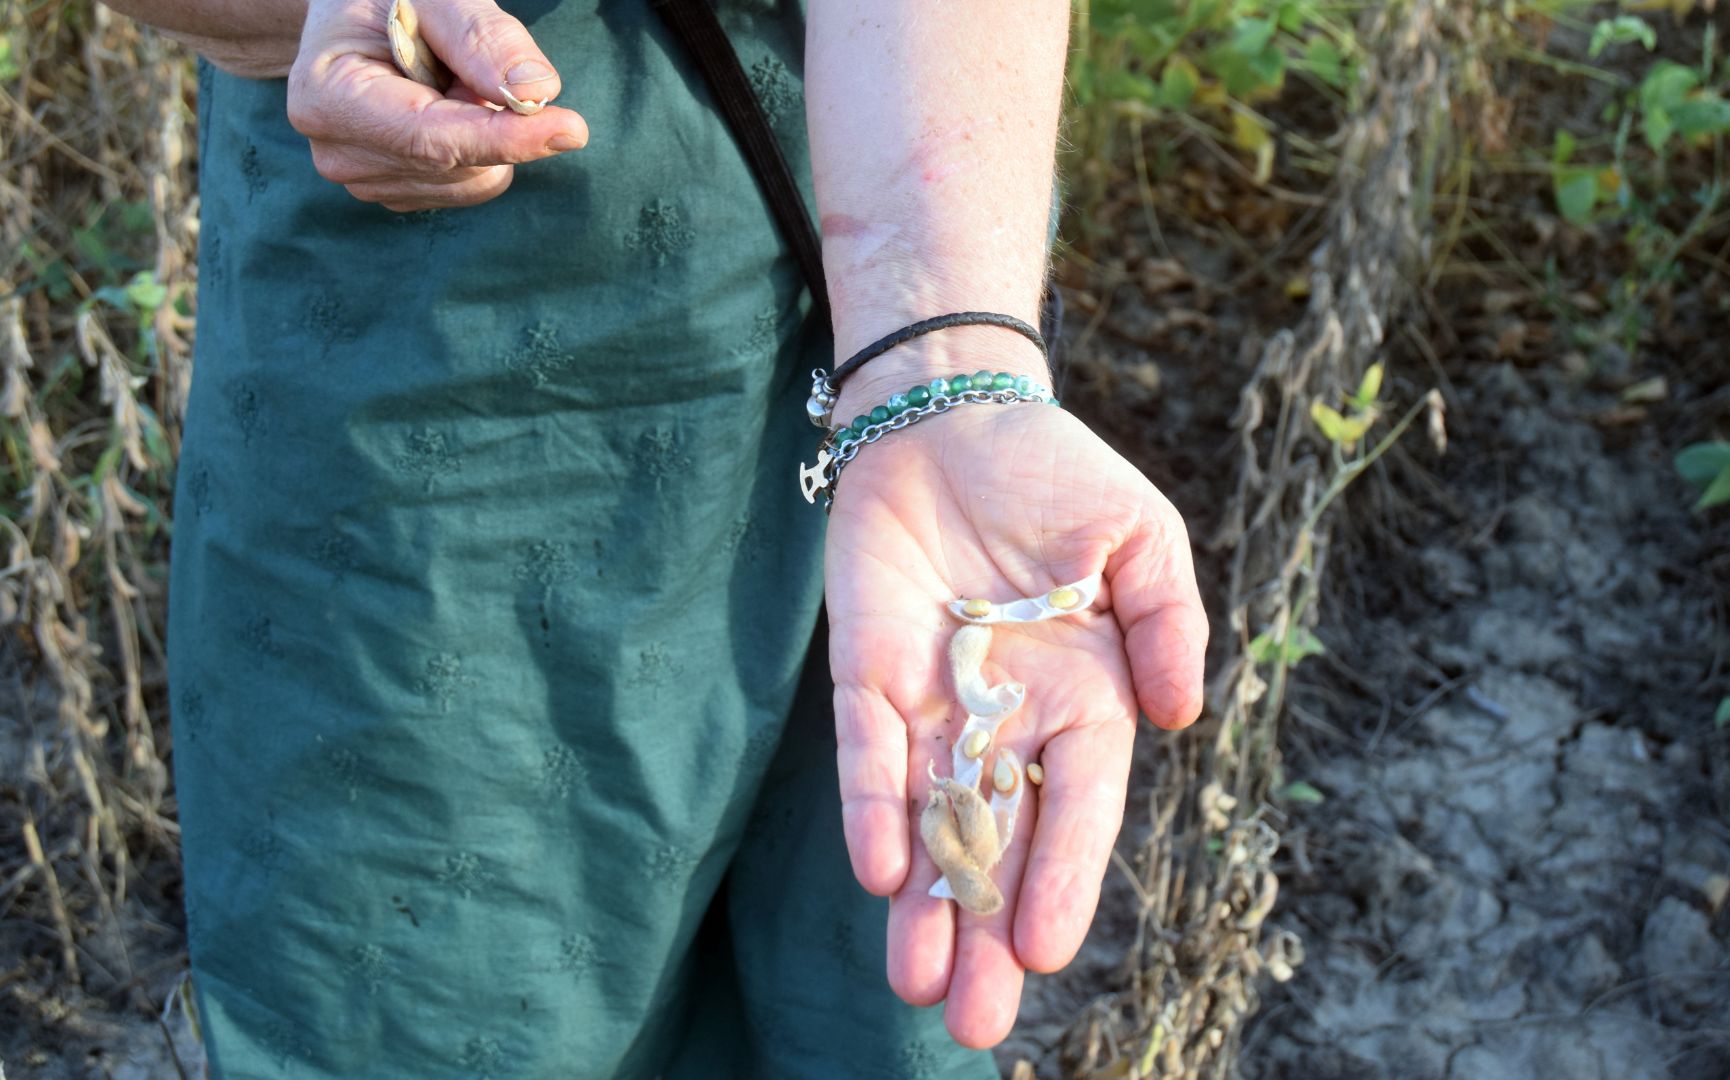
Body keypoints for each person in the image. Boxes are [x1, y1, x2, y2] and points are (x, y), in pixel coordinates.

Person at [111, 0, 1208, 1074]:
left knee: (862, 978)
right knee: (432, 984)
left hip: (890, 285)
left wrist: (946, 362)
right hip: (433, 374)